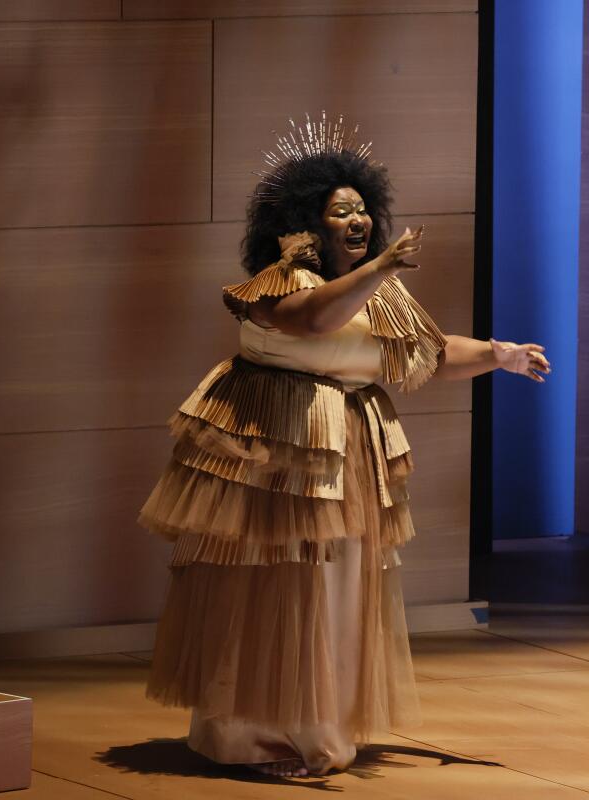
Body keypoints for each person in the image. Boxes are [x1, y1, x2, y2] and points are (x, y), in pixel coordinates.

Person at [139, 116, 551, 778]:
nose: (357, 222)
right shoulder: (283, 282)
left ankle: (316, 730)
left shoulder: (381, 290)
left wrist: (499, 354)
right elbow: (314, 321)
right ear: (307, 224)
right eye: (341, 213)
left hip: (348, 454)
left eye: (363, 211)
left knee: (334, 591)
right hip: (277, 453)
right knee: (277, 590)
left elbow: (432, 353)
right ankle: (251, 736)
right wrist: (383, 265)